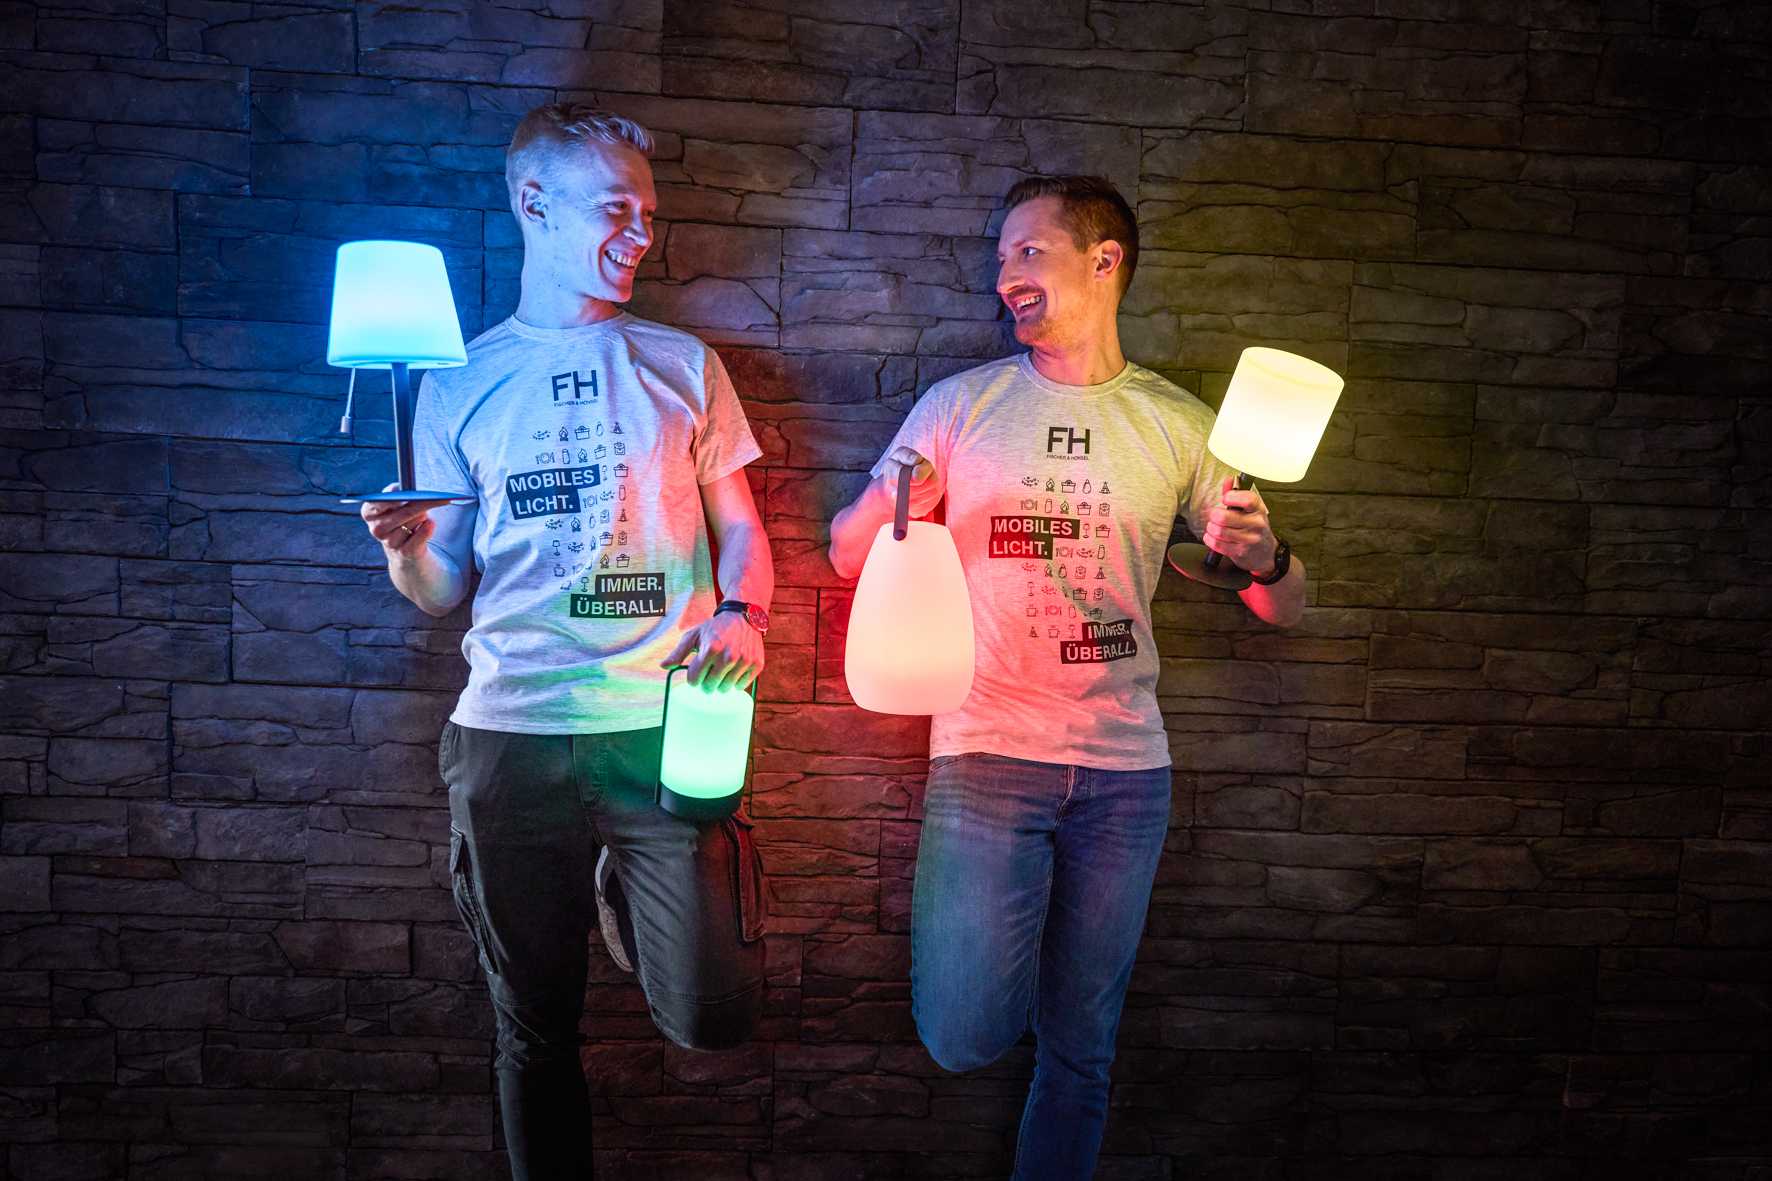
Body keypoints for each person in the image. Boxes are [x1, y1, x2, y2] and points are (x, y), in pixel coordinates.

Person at [827, 175, 1306, 1178]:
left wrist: (1264, 557)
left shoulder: (1179, 426)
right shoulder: (961, 405)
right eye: (999, 256)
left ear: (1104, 260)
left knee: (1082, 1050)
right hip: (987, 756)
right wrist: (889, 501)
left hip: (1126, 775)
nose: (1004, 274)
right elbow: (843, 554)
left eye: (1028, 251)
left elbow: (1285, 605)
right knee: (962, 1030)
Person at [359, 105, 773, 1181]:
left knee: (713, 1009)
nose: (641, 234)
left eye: (649, 214)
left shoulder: (682, 362)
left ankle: (620, 879)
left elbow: (742, 531)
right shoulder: (456, 379)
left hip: (660, 726)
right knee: (533, 1025)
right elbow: (440, 591)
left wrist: (743, 614)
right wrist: (406, 549)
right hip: (510, 740)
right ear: (533, 202)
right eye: (617, 210)